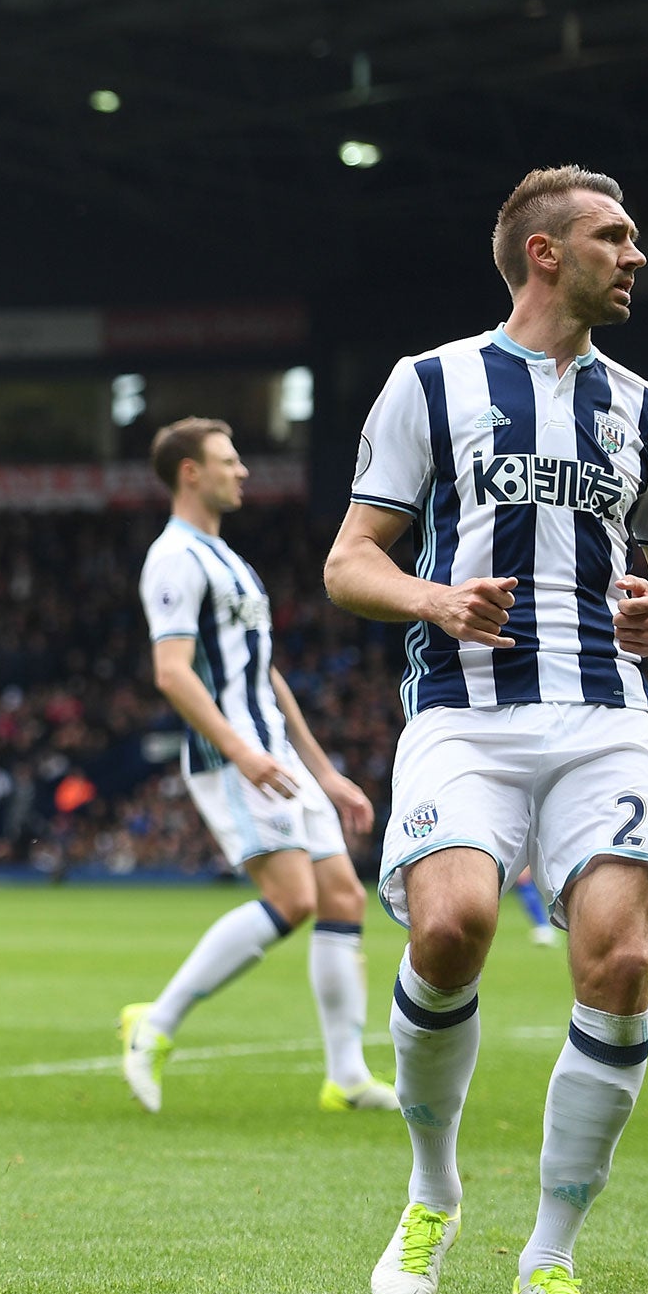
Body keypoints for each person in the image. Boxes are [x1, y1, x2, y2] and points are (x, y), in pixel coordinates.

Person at [327, 165, 648, 1294]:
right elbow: (349, 563)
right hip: (464, 714)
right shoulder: (426, 384)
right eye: (612, 236)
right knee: (450, 927)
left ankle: (546, 1257)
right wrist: (433, 602)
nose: (633, 255)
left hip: (606, 717)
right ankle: (430, 1192)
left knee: (621, 967)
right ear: (544, 253)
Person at [122, 419, 395, 1115]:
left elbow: (264, 675)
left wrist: (325, 772)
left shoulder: (229, 560)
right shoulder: (175, 558)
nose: (242, 471)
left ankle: (346, 1075)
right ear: (190, 472)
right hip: (232, 755)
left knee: (343, 899)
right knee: (294, 899)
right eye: (228, 459)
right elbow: (171, 673)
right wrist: (243, 752)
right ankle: (154, 1024)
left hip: (274, 754)